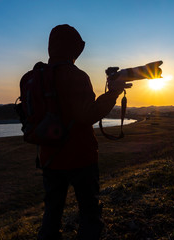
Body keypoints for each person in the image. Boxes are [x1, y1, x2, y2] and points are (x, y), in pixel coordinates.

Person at [37, 24, 131, 240]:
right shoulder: (76, 75)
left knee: (51, 213)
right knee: (89, 213)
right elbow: (87, 115)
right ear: (74, 49)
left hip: (49, 156)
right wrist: (114, 93)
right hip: (80, 156)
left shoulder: (38, 75)